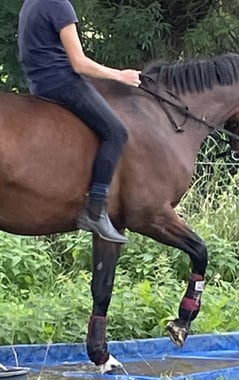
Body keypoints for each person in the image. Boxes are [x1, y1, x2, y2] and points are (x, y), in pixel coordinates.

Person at [17, 0, 141, 244]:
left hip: (38, 82)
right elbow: (79, 63)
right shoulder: (60, 5)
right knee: (116, 133)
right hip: (61, 82)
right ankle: (96, 209)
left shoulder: (31, 3)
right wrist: (120, 75)